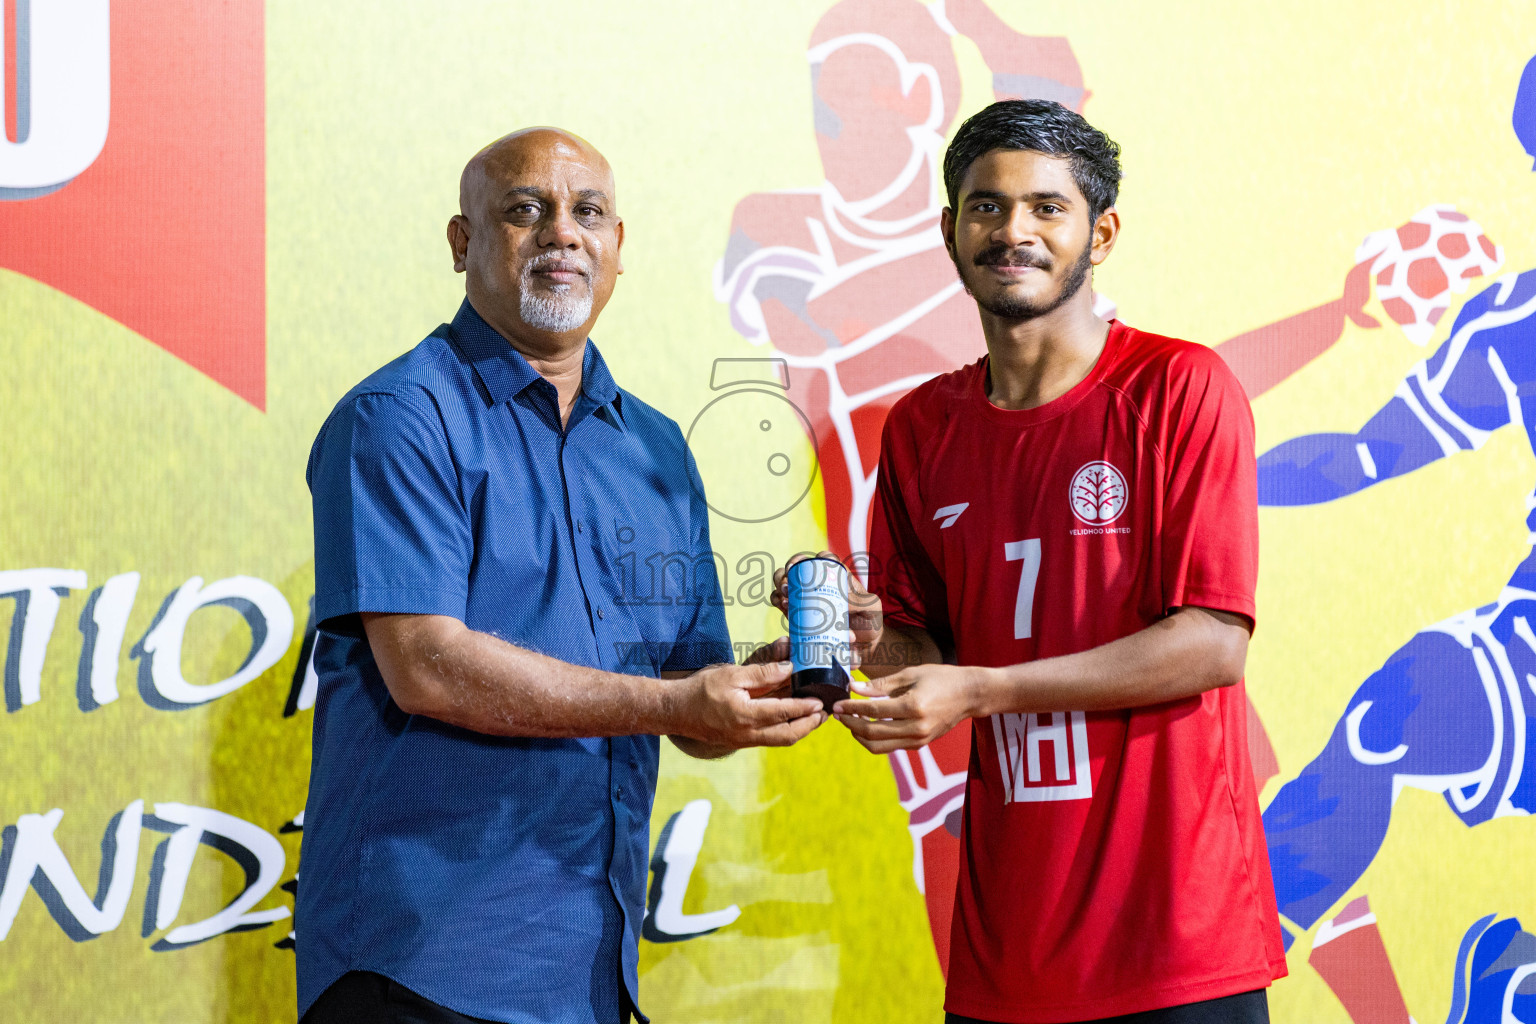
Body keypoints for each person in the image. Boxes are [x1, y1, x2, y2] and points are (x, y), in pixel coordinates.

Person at [297, 128, 826, 1024]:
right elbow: (425, 665)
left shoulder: (656, 449)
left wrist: (790, 670)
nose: (562, 234)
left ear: (620, 247)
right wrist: (674, 706)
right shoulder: (398, 417)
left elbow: (688, 702)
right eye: (524, 211)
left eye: (588, 213)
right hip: (421, 962)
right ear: (463, 243)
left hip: (590, 968)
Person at [781, 99, 1287, 1022]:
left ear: (1102, 233)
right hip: (1006, 951)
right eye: (987, 206)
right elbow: (930, 660)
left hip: (1176, 942)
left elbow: (1213, 644)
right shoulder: (924, 427)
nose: (1013, 230)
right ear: (949, 230)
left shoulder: (1180, 389)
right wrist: (872, 636)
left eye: (1047, 208)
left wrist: (980, 693)